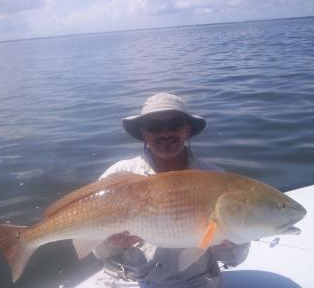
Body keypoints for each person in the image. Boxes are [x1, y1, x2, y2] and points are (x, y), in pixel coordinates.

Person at [93, 92, 250, 288]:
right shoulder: (119, 175)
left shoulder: (216, 178)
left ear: (187, 130)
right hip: (125, 281)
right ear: (144, 132)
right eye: (154, 126)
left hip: (194, 283)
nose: (165, 133)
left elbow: (234, 258)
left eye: (175, 125)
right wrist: (112, 242)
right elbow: (98, 251)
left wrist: (228, 244)